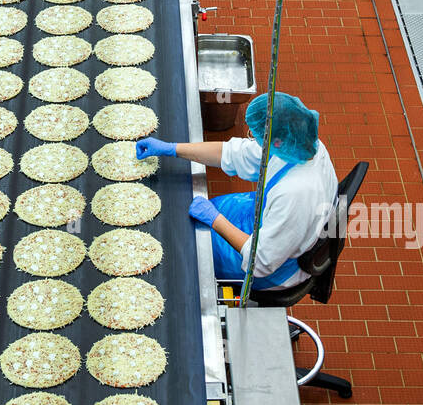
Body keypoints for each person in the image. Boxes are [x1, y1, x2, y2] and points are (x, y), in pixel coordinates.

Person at [135, 92, 336, 290]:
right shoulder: (302, 144)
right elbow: (232, 153)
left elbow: (261, 262)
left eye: (255, 135)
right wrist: (172, 149)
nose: (252, 138)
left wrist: (215, 219)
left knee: (187, 246)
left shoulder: (295, 194)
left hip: (276, 267)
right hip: (270, 220)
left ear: (276, 142)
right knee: (207, 214)